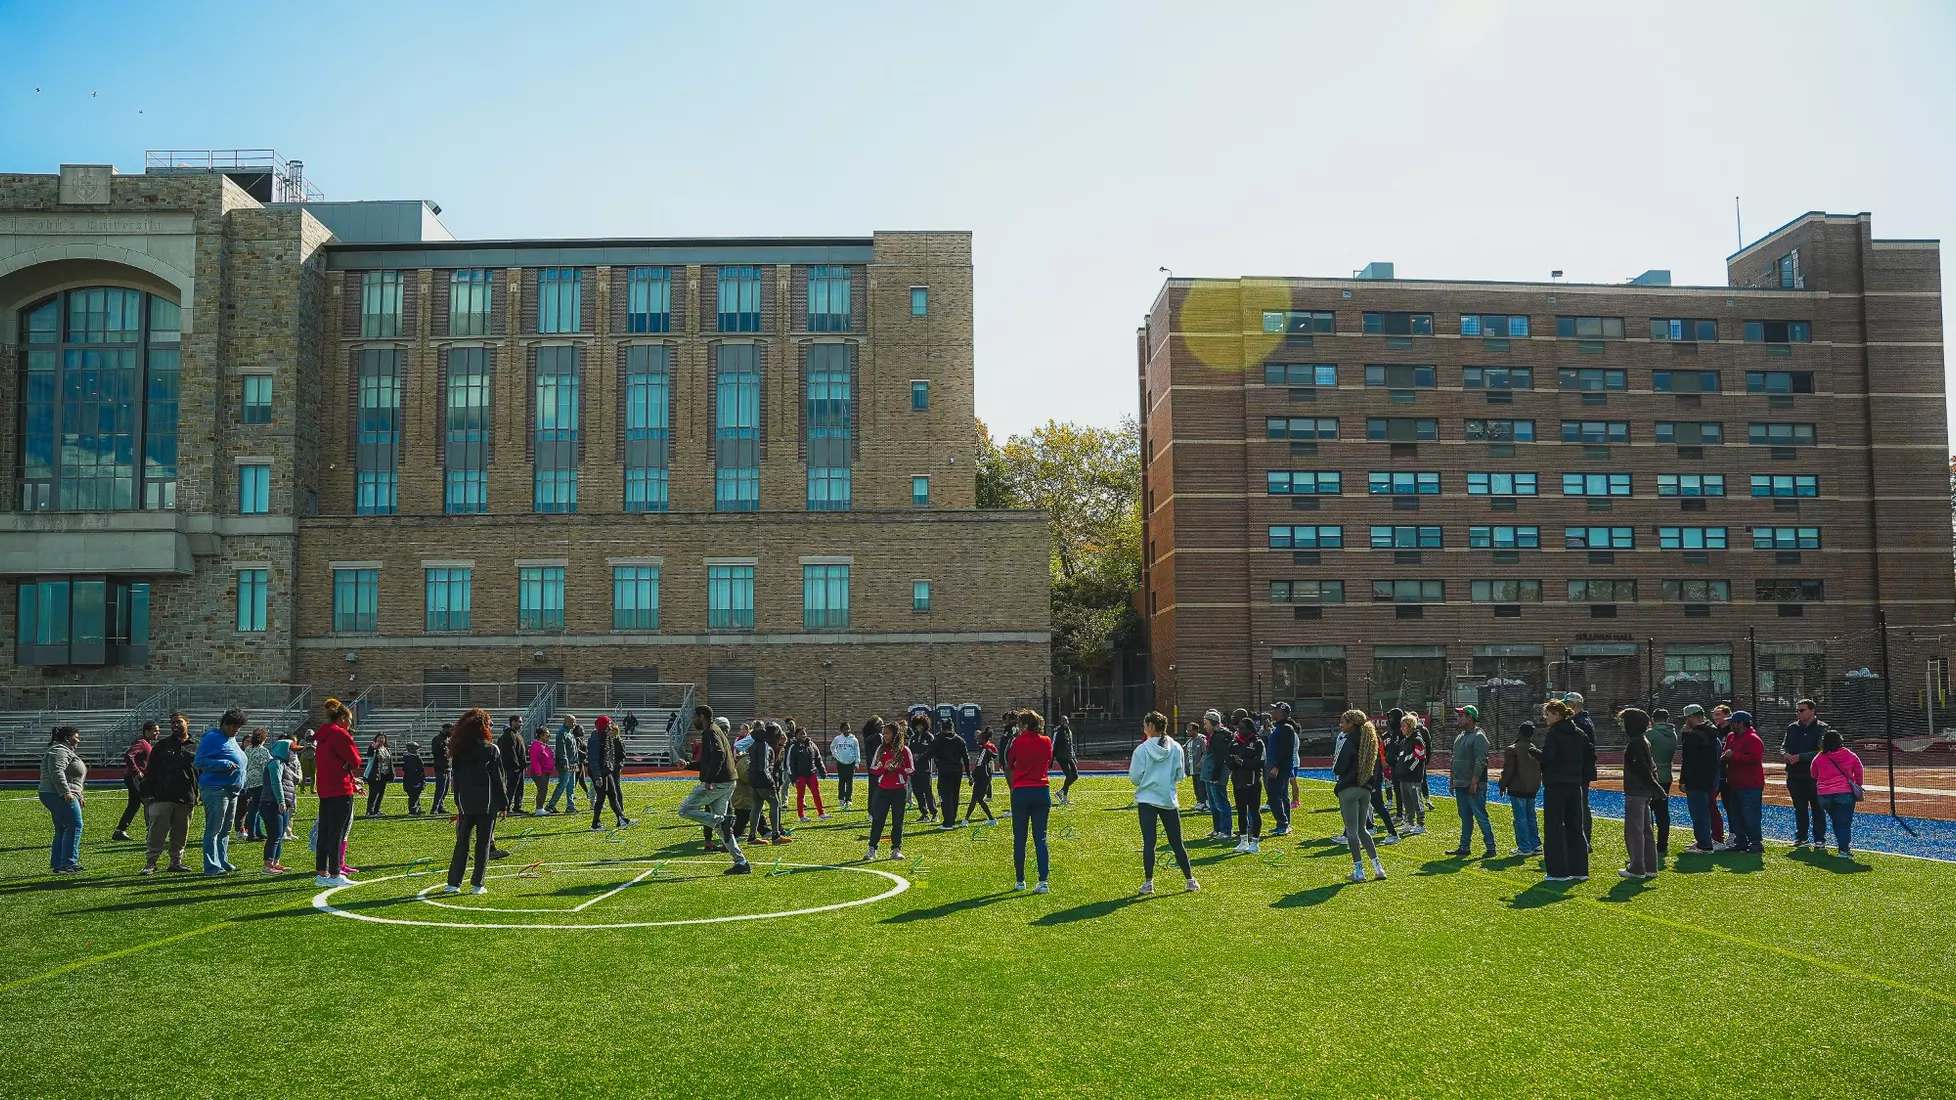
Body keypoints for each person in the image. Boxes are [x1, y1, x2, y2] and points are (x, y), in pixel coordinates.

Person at [674, 706, 750, 874]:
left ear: (702, 716)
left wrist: (709, 780)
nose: (693, 720)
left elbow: (719, 754)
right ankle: (741, 862)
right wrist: (688, 765)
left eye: (695, 717)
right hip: (728, 782)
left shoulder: (710, 732)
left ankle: (721, 821)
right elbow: (709, 761)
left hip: (718, 783)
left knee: (684, 810)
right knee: (721, 827)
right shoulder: (715, 730)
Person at [1130, 711, 1198, 895]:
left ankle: (1148, 883)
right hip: (1168, 798)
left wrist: (1149, 780)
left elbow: (1135, 778)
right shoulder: (1175, 747)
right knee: (1176, 842)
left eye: (1145, 725)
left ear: (1151, 726)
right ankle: (1190, 880)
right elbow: (1179, 775)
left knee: (1149, 842)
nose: (1144, 729)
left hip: (1147, 799)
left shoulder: (1142, 749)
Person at [444, 708, 509, 895]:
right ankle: (477, 885)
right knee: (483, 844)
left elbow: (456, 781)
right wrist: (503, 804)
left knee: (462, 843)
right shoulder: (491, 750)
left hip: (465, 804)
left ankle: (453, 883)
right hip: (486, 804)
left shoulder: (458, 752)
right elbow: (498, 779)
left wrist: (459, 803)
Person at [1538, 699, 1595, 882]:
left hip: (1556, 784)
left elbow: (1548, 757)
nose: (1546, 718)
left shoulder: (1554, 733)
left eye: (1548, 714)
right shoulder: (1579, 732)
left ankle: (1558, 872)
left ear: (1557, 715)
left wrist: (1533, 753)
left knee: (1554, 827)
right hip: (1575, 784)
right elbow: (1590, 753)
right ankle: (1580, 870)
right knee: (1575, 827)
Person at [312, 698, 364, 888]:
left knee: (325, 832)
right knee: (337, 832)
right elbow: (355, 760)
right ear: (342, 719)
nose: (350, 724)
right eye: (349, 720)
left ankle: (322, 873)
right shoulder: (340, 734)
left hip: (325, 788)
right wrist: (347, 764)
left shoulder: (323, 735)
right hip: (340, 788)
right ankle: (335, 874)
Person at [139, 713, 197, 874]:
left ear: (187, 723)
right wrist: (147, 794)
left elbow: (199, 772)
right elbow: (151, 771)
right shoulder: (162, 746)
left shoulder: (196, 747)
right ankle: (151, 862)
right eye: (172, 723)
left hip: (186, 796)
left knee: (181, 832)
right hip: (162, 795)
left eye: (179, 722)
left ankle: (176, 861)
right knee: (156, 831)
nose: (175, 725)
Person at [1332, 709, 1386, 883]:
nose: (1341, 725)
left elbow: (1339, 768)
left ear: (1352, 723)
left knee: (1352, 832)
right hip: (1365, 789)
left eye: (1343, 722)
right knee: (1363, 830)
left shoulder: (1348, 741)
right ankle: (1378, 868)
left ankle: (1359, 871)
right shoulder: (1370, 741)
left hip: (1349, 789)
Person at [195, 709, 249, 875]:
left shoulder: (231, 739)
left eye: (238, 727)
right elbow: (199, 761)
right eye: (233, 726)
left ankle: (223, 861)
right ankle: (212, 866)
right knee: (214, 829)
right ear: (224, 724)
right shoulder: (212, 738)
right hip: (216, 789)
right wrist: (223, 764)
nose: (236, 730)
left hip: (232, 790)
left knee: (226, 829)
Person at [1006, 711, 1055, 892]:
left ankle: (1020, 880)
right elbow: (1049, 761)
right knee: (1040, 837)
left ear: (1025, 726)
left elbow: (1010, 763)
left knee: (1020, 838)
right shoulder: (1046, 741)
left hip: (1021, 791)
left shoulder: (1017, 742)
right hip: (1042, 790)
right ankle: (1043, 881)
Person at [1618, 707, 1664, 879]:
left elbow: (1642, 770)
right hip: (1644, 792)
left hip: (1636, 791)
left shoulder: (1635, 743)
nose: (1621, 725)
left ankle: (1636, 867)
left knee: (1634, 830)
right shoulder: (1643, 741)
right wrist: (1654, 787)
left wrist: (1655, 787)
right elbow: (1650, 768)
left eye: (1623, 722)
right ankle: (1650, 867)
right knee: (1646, 830)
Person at [1448, 705, 1496, 859]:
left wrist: (1474, 782)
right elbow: (1454, 759)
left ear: (1470, 718)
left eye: (1462, 716)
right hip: (1461, 783)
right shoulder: (1460, 736)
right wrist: (1452, 779)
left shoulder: (1479, 736)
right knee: (1465, 816)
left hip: (1474, 785)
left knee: (1480, 816)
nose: (1459, 718)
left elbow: (1481, 761)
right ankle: (1464, 847)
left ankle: (1491, 847)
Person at [1782, 699, 1830, 850]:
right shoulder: (1792, 728)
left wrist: (1800, 757)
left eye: (1801, 710)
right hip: (1794, 774)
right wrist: (1785, 754)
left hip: (1814, 776)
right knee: (1800, 808)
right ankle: (1801, 838)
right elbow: (1783, 746)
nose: (1798, 713)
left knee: (1817, 808)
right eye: (1797, 710)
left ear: (1812, 710)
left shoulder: (1822, 728)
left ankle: (1819, 839)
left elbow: (1822, 750)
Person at [39, 725, 87, 874]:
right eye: (76, 737)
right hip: (57, 793)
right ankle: (68, 864)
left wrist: (79, 795)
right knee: (74, 825)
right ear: (67, 738)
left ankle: (59, 864)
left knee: (62, 828)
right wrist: (65, 792)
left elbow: (71, 777)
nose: (78, 741)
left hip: (56, 793)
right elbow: (57, 771)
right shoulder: (59, 750)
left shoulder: (62, 750)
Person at [1811, 728, 1864, 859]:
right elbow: (1859, 771)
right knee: (1843, 822)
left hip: (1824, 795)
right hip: (1844, 793)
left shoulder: (1819, 757)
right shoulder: (1849, 755)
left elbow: (1813, 773)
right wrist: (1857, 784)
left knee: (1836, 820)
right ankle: (1844, 850)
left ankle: (1842, 847)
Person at [866, 719, 913, 862]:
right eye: (883, 733)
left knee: (897, 821)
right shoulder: (880, 749)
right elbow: (873, 769)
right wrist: (884, 768)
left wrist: (898, 768)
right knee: (878, 819)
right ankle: (872, 849)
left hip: (899, 790)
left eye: (887, 733)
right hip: (883, 790)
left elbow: (911, 770)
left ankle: (896, 849)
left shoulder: (904, 750)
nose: (884, 736)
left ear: (895, 734)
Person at [1677, 705, 1721, 852]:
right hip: (1709, 777)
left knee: (1699, 813)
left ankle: (1704, 844)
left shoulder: (1695, 735)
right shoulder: (1711, 731)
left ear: (1692, 717)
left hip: (1696, 779)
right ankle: (1705, 840)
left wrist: (1683, 780)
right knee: (1705, 811)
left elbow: (1688, 759)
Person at [1722, 710, 1766, 855]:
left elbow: (1755, 759)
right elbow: (1725, 752)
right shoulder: (1731, 736)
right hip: (1734, 783)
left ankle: (1756, 843)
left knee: (1751, 815)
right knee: (1736, 815)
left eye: (1733, 722)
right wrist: (1725, 756)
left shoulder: (1753, 739)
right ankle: (1741, 842)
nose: (1731, 725)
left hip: (1750, 784)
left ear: (1741, 723)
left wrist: (1734, 756)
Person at [1499, 722, 1543, 856]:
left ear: (1519, 732)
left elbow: (1508, 770)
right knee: (1531, 817)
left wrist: (1502, 785)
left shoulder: (1513, 749)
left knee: (1520, 819)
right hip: (1532, 788)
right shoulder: (1534, 749)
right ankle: (1536, 845)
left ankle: (1524, 847)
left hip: (1518, 787)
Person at [1225, 716, 1265, 854]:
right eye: (1238, 728)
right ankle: (1243, 841)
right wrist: (1235, 763)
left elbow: (1259, 763)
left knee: (1254, 811)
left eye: (1242, 729)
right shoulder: (1234, 743)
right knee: (1241, 812)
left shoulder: (1257, 743)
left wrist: (1243, 762)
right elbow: (1228, 761)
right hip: (1238, 782)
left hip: (1253, 782)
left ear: (1250, 729)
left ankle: (1255, 842)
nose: (1239, 731)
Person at [746, 723, 788, 845]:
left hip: (753, 778)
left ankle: (752, 836)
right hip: (763, 779)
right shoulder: (765, 746)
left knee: (756, 807)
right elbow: (763, 766)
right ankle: (776, 835)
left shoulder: (755, 743)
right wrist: (770, 782)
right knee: (775, 803)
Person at [259, 737, 296, 874]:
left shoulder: (284, 764)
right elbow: (276, 783)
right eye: (292, 750)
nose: (294, 754)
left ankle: (276, 862)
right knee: (274, 835)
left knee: (279, 835)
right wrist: (281, 801)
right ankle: (268, 866)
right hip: (272, 803)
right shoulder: (275, 763)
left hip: (282, 804)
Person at [112, 722, 154, 842]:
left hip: (134, 778)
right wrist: (136, 771)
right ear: (147, 731)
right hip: (135, 778)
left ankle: (120, 831)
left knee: (134, 805)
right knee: (148, 802)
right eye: (155, 730)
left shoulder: (146, 743)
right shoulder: (142, 743)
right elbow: (129, 755)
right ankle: (151, 832)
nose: (158, 733)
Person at [1566, 692, 1598, 845]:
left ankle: (1584, 840)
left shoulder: (1580, 722)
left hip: (1580, 770)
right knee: (1580, 804)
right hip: (1582, 769)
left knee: (1580, 804)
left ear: (1574, 704)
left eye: (1567, 703)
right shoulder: (1584, 720)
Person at [1646, 708, 1679, 857]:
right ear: (1667, 719)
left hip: (1652, 775)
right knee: (1663, 812)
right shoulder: (1672, 734)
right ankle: (1662, 844)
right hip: (1666, 775)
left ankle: (1648, 843)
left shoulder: (1650, 734)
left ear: (1653, 719)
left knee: (1647, 811)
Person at [589, 715, 631, 830]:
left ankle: (621, 819)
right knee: (601, 797)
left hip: (606, 770)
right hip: (599, 772)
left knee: (613, 795)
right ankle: (595, 823)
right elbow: (593, 760)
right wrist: (598, 776)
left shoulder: (605, 737)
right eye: (608, 724)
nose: (610, 726)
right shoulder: (595, 739)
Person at [1264, 702, 1298, 836]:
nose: (1272, 712)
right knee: (1283, 796)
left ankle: (1283, 823)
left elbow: (1284, 750)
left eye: (1275, 710)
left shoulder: (1286, 729)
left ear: (1281, 712)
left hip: (1280, 768)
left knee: (1274, 795)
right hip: (1279, 766)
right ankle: (1284, 823)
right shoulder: (1279, 728)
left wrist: (1276, 766)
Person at [1391, 713, 1427, 835]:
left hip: (1413, 778)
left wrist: (1409, 770)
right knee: (1407, 803)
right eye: (1401, 726)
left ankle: (1421, 824)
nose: (1401, 728)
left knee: (1417, 801)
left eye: (1404, 726)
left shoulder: (1417, 740)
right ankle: (1409, 823)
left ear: (1411, 726)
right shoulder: (1404, 742)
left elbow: (1420, 758)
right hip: (1403, 778)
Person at [1201, 710, 1233, 840]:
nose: (1205, 726)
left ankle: (1226, 830)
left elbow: (1219, 758)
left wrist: (1215, 776)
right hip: (1210, 773)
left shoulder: (1219, 737)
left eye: (1206, 723)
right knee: (1213, 804)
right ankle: (1218, 828)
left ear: (1214, 724)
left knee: (1221, 803)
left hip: (1216, 774)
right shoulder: (1214, 735)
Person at [788, 725, 830, 822]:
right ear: (796, 736)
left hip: (811, 773)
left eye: (804, 733)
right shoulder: (793, 747)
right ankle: (801, 816)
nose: (803, 735)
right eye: (800, 734)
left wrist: (823, 771)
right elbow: (790, 763)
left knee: (816, 793)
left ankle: (821, 813)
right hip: (800, 775)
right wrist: (793, 777)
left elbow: (818, 759)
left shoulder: (811, 745)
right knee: (801, 796)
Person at [932, 720, 968, 829]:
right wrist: (968, 773)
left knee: (945, 796)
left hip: (944, 771)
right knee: (954, 796)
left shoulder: (939, 740)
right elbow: (966, 757)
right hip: (957, 771)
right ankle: (952, 820)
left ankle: (947, 822)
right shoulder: (960, 740)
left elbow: (931, 753)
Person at [237, 729, 270, 840]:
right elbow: (266, 767)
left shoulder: (248, 749)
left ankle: (257, 831)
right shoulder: (263, 751)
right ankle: (252, 833)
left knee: (255, 807)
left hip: (249, 780)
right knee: (255, 808)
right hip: (260, 781)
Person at [963, 727, 1000, 825]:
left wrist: (973, 777)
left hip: (982, 777)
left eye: (979, 738)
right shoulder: (984, 749)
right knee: (979, 799)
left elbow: (980, 765)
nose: (977, 740)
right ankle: (992, 819)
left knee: (974, 799)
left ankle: (965, 820)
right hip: (984, 777)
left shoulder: (984, 750)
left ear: (983, 739)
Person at [547, 715, 582, 815]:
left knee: (571, 786)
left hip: (572, 763)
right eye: (573, 722)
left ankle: (570, 806)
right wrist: (564, 762)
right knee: (563, 784)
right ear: (566, 722)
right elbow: (561, 750)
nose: (574, 724)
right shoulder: (562, 733)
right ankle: (550, 805)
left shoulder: (569, 733)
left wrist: (575, 762)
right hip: (566, 764)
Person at [907, 713, 938, 822]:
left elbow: (931, 750)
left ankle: (934, 813)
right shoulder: (913, 738)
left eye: (921, 725)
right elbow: (909, 750)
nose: (919, 727)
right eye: (917, 725)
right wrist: (912, 756)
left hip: (925, 768)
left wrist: (921, 755)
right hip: (914, 768)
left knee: (927, 791)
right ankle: (924, 813)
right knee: (917, 791)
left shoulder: (929, 737)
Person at [496, 719, 528, 815]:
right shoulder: (509, 735)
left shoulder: (517, 734)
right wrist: (515, 765)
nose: (521, 724)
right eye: (519, 722)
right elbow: (510, 752)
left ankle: (517, 806)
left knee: (519, 788)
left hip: (519, 767)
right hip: (513, 767)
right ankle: (507, 807)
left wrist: (523, 764)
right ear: (513, 722)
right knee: (511, 788)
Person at [362, 733, 395, 817]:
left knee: (380, 793)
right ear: (376, 739)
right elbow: (369, 754)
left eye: (383, 738)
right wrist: (373, 748)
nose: (381, 739)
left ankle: (377, 810)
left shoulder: (386, 749)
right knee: (374, 793)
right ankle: (369, 811)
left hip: (384, 775)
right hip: (374, 774)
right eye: (379, 737)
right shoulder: (373, 747)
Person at [830, 720, 859, 810]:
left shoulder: (854, 740)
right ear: (841, 730)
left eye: (848, 729)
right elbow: (832, 747)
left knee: (849, 781)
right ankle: (841, 799)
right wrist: (836, 755)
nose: (847, 731)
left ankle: (848, 799)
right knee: (842, 781)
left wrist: (857, 762)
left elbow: (857, 751)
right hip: (841, 763)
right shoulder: (837, 739)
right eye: (845, 729)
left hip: (851, 763)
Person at [1053, 716, 1080, 806]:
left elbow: (1070, 745)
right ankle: (1064, 799)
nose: (1065, 722)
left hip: (1069, 756)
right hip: (1061, 757)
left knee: (1075, 776)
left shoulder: (1069, 731)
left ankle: (1060, 792)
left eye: (1066, 720)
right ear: (1060, 722)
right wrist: (1052, 759)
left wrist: (1073, 757)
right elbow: (1053, 745)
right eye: (1063, 720)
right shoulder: (1058, 731)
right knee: (1069, 776)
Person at [527, 730, 555, 813]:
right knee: (542, 789)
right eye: (547, 735)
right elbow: (535, 760)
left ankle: (540, 808)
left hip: (544, 772)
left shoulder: (544, 745)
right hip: (540, 772)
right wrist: (538, 772)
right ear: (541, 736)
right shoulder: (536, 746)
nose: (549, 737)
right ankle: (539, 809)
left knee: (544, 789)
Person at [1184, 721, 1209, 812]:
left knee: (1201, 786)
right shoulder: (1189, 741)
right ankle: (1199, 801)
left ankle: (1204, 802)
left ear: (1195, 731)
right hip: (1192, 768)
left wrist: (1201, 763)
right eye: (1187, 730)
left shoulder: (1201, 740)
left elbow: (1205, 753)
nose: (1188, 732)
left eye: (1190, 730)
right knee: (1196, 786)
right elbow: (1187, 754)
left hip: (1200, 769)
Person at [429, 722, 453, 815]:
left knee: (445, 789)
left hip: (447, 767)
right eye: (450, 729)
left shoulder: (447, 739)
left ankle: (440, 806)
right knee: (440, 789)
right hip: (441, 767)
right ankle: (434, 808)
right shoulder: (438, 739)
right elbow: (437, 752)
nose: (452, 731)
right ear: (445, 729)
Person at [401, 741, 427, 815]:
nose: (417, 750)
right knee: (413, 796)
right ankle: (413, 810)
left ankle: (417, 808)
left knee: (416, 795)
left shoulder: (413, 757)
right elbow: (413, 771)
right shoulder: (410, 758)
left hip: (415, 779)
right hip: (413, 780)